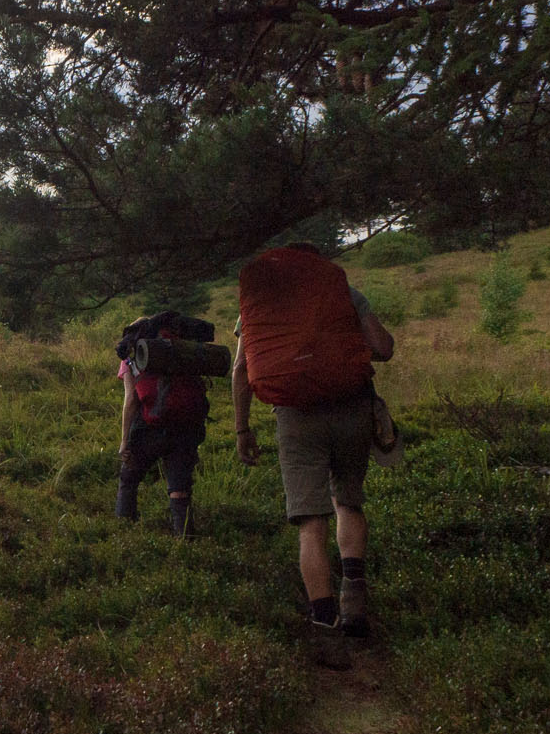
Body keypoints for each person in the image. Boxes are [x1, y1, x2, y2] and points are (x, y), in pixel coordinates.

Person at [232, 242, 395, 637]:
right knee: (348, 502)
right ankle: (354, 603)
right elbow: (384, 348)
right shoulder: (343, 293)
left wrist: (242, 428)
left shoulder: (259, 303)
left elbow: (241, 370)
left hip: (295, 417)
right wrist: (339, 352)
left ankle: (324, 624)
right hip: (351, 408)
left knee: (310, 521)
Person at [116, 313, 211, 538]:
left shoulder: (132, 355)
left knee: (128, 478)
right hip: (186, 426)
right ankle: (185, 541)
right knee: (179, 488)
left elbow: (131, 400)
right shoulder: (181, 349)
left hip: (150, 427)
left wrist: (124, 442)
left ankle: (123, 531)